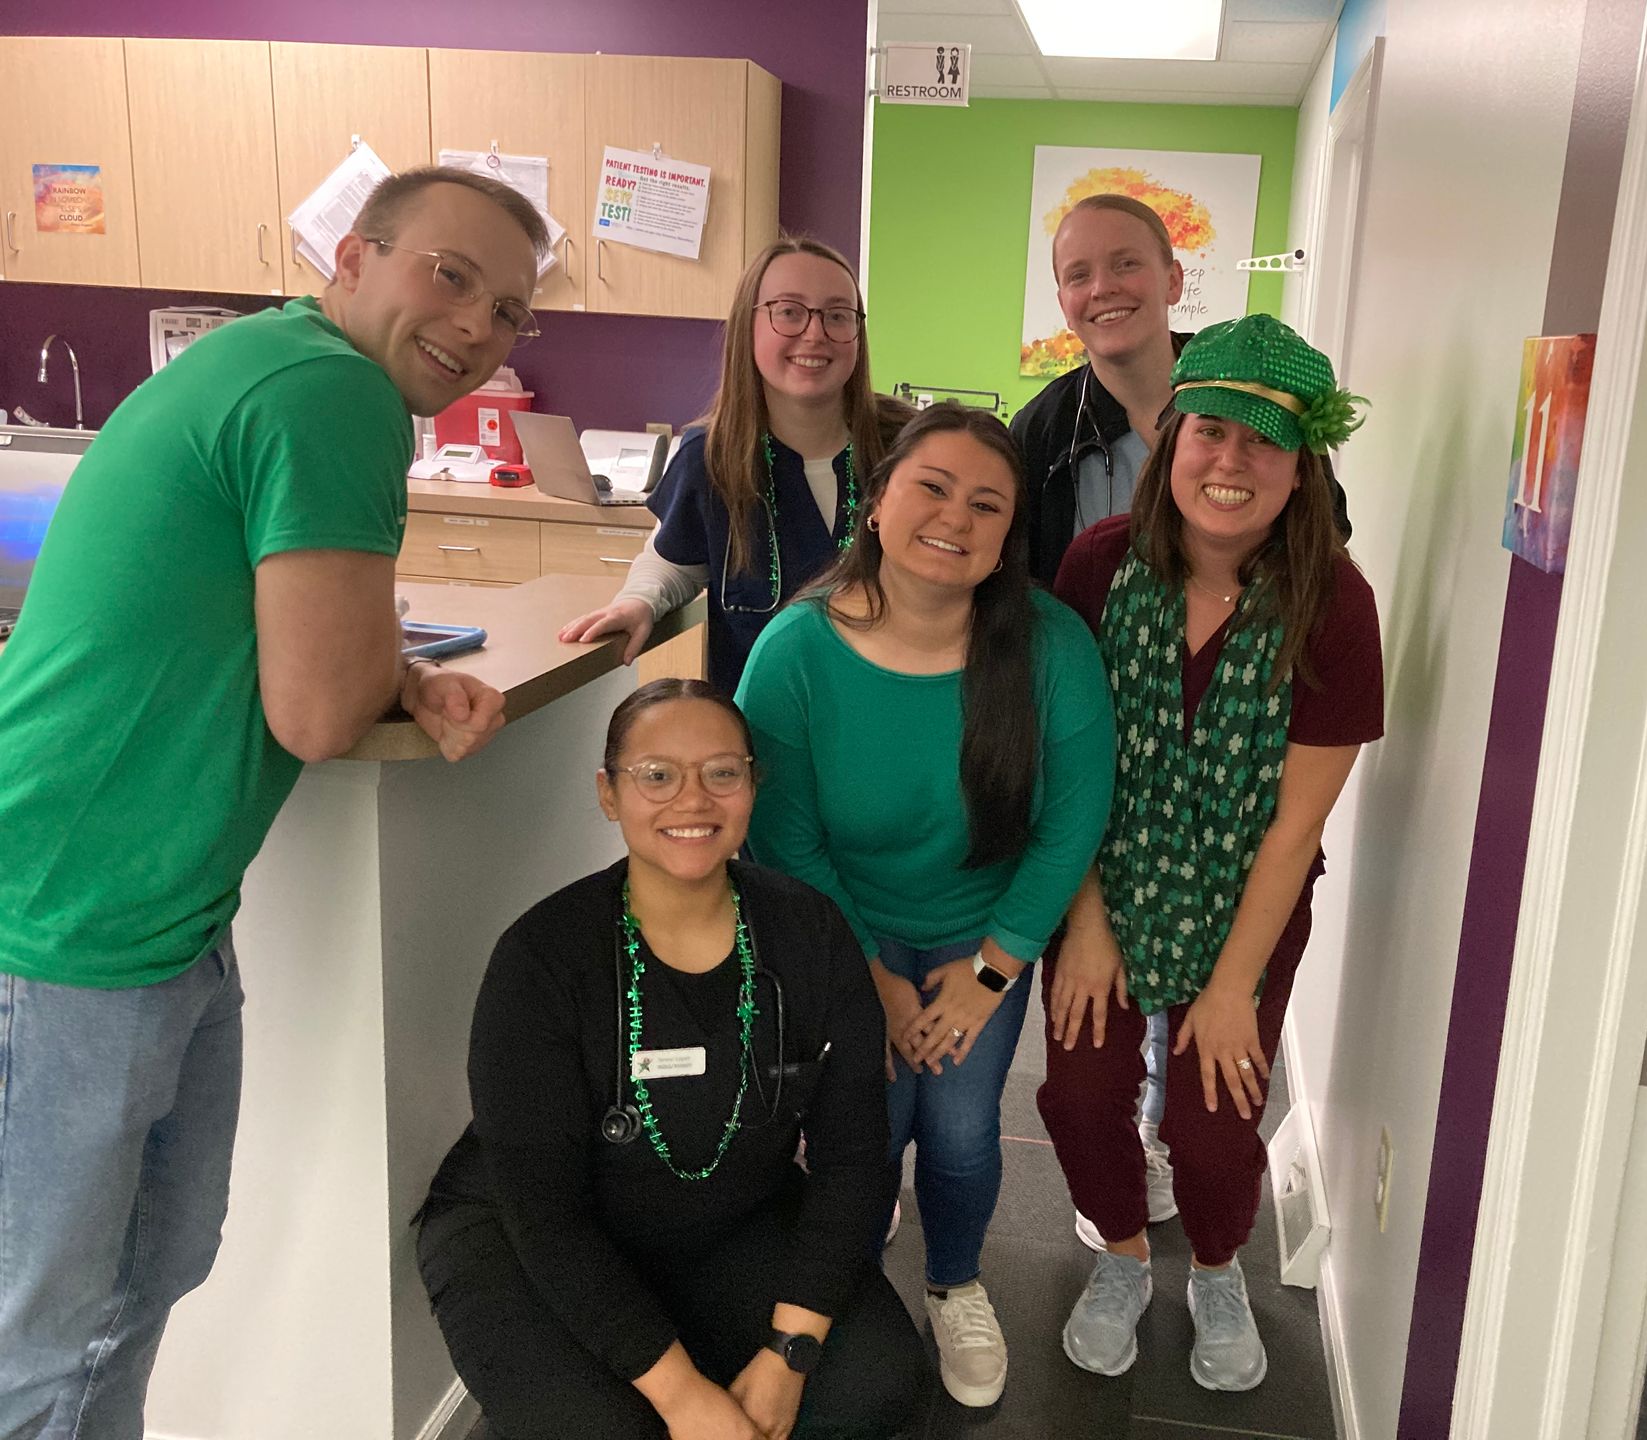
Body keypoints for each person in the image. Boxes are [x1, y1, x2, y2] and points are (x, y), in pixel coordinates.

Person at [0, 165, 543, 1434]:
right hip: (68, 915)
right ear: (351, 258)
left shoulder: (288, 368)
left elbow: (289, 649)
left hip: (154, 908)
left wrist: (395, 670)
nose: (476, 326)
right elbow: (314, 709)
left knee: (142, 1281)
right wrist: (382, 676)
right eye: (449, 277)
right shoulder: (332, 393)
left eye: (511, 311)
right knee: (50, 1334)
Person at [415, 680, 920, 1440]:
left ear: (753, 786)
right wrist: (683, 1395)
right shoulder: (543, 958)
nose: (692, 800)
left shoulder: (808, 932)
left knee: (877, 1382)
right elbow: (546, 1216)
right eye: (656, 774)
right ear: (609, 793)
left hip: (726, 1214)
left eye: (722, 772)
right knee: (622, 1430)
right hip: (525, 1234)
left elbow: (853, 1158)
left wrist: (790, 1351)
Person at [734, 404, 1115, 1409]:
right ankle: (841, 1291)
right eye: (932, 488)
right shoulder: (794, 652)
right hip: (838, 925)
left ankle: (954, 1281)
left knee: (955, 1126)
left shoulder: (1052, 646)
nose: (956, 517)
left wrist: (991, 971)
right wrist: (875, 983)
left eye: (987, 504)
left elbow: (1070, 827)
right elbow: (789, 840)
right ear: (876, 505)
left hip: (981, 925)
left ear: (1005, 541)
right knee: (865, 1123)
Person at [1036, 315, 1384, 1393]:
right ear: (1174, 441)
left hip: (1248, 900)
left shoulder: (1335, 605)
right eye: (1210, 433)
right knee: (1083, 1096)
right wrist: (1087, 921)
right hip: (1105, 876)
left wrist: (1233, 985)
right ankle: (1127, 1258)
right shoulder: (1096, 566)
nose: (1230, 462)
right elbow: (1064, 761)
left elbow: (1295, 830)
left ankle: (1221, 1269)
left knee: (1217, 1127)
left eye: (1262, 443)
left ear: (1299, 468)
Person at [559, 236, 908, 694]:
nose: (815, 333)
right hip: (760, 721)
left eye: (838, 315)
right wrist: (638, 602)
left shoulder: (906, 447)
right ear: (749, 324)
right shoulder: (711, 456)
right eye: (789, 311)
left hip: (882, 711)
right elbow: (674, 561)